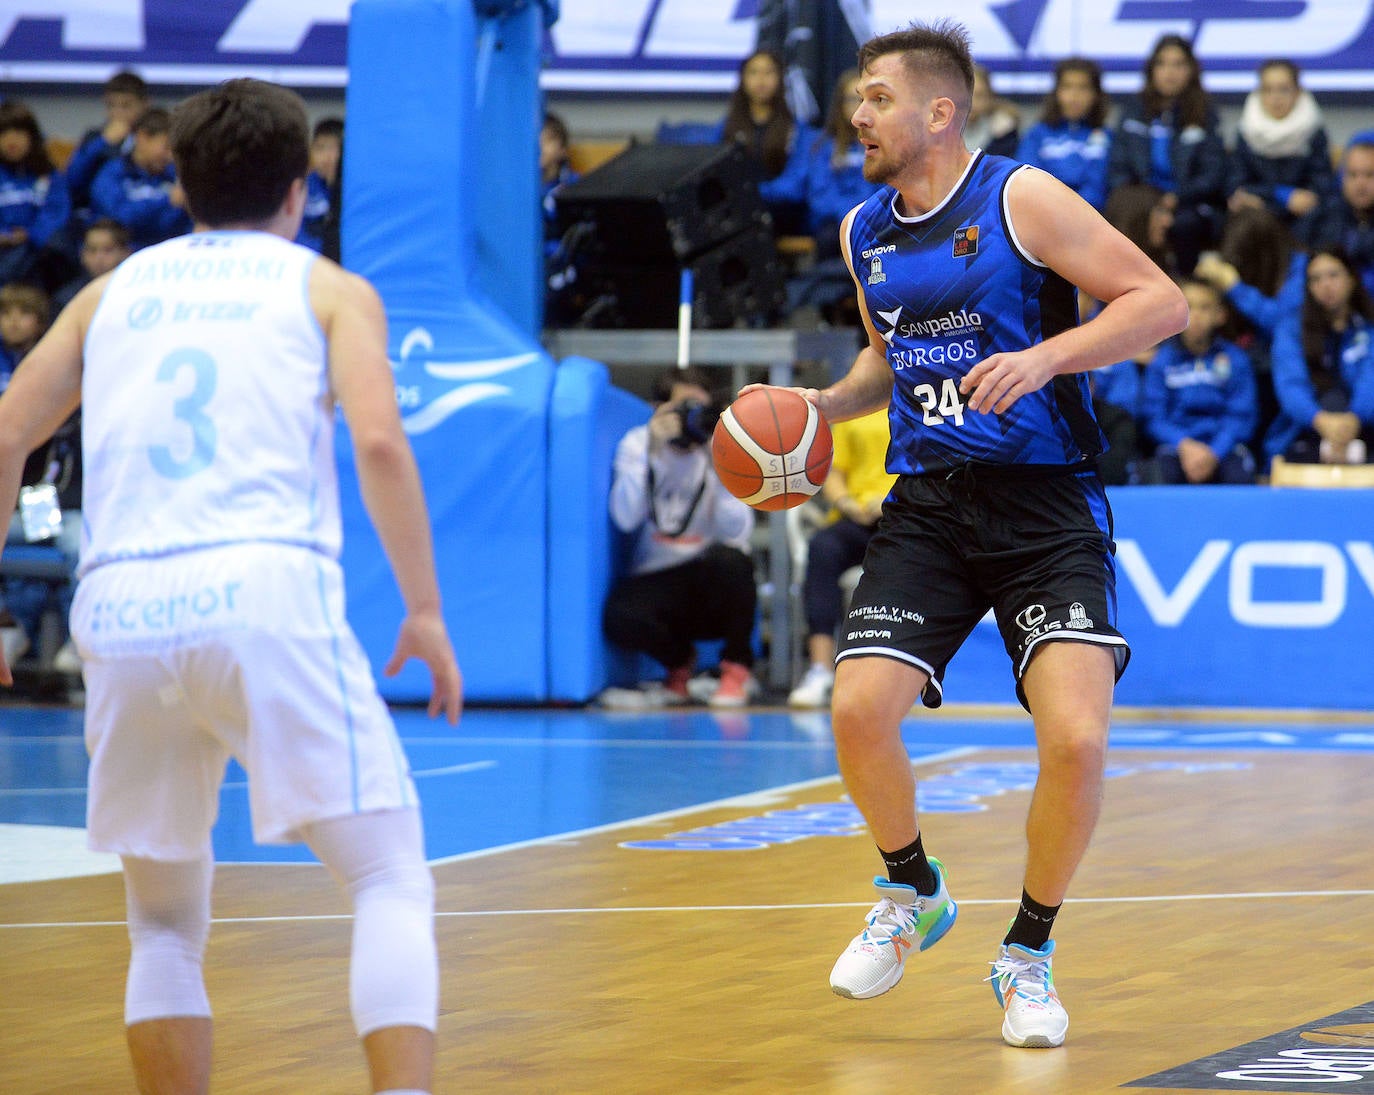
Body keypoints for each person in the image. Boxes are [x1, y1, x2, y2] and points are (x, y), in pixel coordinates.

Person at [0, 78, 463, 1095]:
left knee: (162, 922)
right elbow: (380, 442)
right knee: (387, 876)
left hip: (119, 609)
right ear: (300, 192)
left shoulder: (109, 292)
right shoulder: (327, 288)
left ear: (178, 182)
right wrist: (424, 608)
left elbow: (7, 432)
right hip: (261, 589)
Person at [749, 20, 1186, 1048]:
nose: (857, 115)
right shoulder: (863, 231)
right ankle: (913, 893)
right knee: (857, 711)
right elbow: (881, 368)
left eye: (877, 97)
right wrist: (815, 406)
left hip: (1045, 503)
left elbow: (1158, 303)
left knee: (1075, 740)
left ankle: (1027, 953)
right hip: (933, 503)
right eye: (857, 96)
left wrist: (1046, 360)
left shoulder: (1018, 197)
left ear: (939, 112)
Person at [601, 366, 759, 709]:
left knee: (734, 561)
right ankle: (678, 665)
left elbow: (738, 533)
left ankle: (735, 672)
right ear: (659, 408)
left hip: (707, 581)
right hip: (656, 580)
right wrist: (652, 454)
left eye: (700, 411)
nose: (692, 419)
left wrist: (721, 463)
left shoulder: (717, 451)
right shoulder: (637, 444)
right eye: (684, 408)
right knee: (619, 617)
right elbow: (625, 519)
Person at [787, 406, 894, 708]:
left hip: (904, 516)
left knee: (901, 560)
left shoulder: (925, 402)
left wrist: (891, 501)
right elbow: (835, 472)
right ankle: (820, 670)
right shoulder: (857, 412)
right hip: (857, 518)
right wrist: (847, 504)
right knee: (822, 548)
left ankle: (888, 673)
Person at [1108, 34, 1226, 274]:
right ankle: (1129, 292)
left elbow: (1213, 174)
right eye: (1162, 63)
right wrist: (1151, 202)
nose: (1169, 71)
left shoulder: (1205, 114)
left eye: (1178, 64)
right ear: (1152, 69)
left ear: (1191, 70)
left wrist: (1176, 198)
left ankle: (1183, 293)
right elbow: (1118, 169)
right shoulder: (1133, 111)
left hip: (1188, 203)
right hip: (1142, 200)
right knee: (1128, 215)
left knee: (1185, 224)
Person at [1141, 278, 1259, 484]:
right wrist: (1184, 445)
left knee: (1239, 478)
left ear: (1219, 315)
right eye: (1188, 306)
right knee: (1159, 476)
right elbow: (1153, 417)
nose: (1195, 316)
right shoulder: (1162, 361)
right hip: (1176, 447)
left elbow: (1242, 416)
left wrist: (1214, 451)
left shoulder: (1235, 359)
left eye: (1204, 308)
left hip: (1224, 447)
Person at [1265, 247, 1374, 466]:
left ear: (1352, 278)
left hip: (1364, 425)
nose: (1325, 285)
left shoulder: (1368, 326)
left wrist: (1355, 418)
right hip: (1308, 429)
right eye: (1316, 279)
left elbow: (1370, 378)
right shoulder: (1291, 329)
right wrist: (1321, 421)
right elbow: (1290, 386)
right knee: (1331, 402)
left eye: (1333, 275)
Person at [1226, 59, 1332, 250]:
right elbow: (1237, 184)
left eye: (1283, 89)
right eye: (1268, 89)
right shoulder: (1247, 131)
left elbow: (1322, 185)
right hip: (1259, 211)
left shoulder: (1313, 132)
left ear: (1298, 92)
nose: (1276, 97)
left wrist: (1303, 199)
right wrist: (1281, 195)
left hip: (1302, 215)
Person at [717, 49, 813, 234]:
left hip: (781, 212)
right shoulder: (726, 128)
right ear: (742, 79)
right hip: (737, 208)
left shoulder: (797, 130)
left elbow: (794, 187)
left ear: (780, 79)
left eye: (768, 72)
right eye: (753, 72)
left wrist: (751, 194)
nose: (761, 80)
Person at [89, 106, 193, 250]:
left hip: (169, 253)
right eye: (166, 147)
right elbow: (119, 219)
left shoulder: (175, 175)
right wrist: (167, 201)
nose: (170, 156)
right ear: (142, 138)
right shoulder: (112, 173)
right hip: (122, 256)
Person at [1016, 58, 1111, 211]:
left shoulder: (1105, 136)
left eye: (1083, 87)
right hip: (1044, 213)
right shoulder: (1037, 134)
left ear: (1096, 94)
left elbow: (1099, 185)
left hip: (1091, 216)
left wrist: (1074, 211)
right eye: (1067, 87)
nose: (1074, 95)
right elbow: (1028, 179)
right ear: (1056, 92)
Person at [0, 100, 73, 289]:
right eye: (4, 133)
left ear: (32, 136)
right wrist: (5, 235)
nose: (11, 140)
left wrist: (29, 235)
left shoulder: (49, 175)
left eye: (18, 132)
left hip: (37, 257)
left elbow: (56, 215)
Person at [51, 218, 131, 312]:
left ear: (125, 253)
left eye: (108, 250)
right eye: (92, 250)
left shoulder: (136, 293)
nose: (99, 258)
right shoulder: (66, 299)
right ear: (82, 254)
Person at [296, 116, 343, 260]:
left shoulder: (354, 191)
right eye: (320, 147)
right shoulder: (303, 188)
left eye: (334, 148)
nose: (327, 157)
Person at [965, 64, 1020, 159]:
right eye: (966, 94)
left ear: (989, 98)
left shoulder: (1004, 134)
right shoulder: (936, 131)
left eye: (979, 95)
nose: (972, 102)